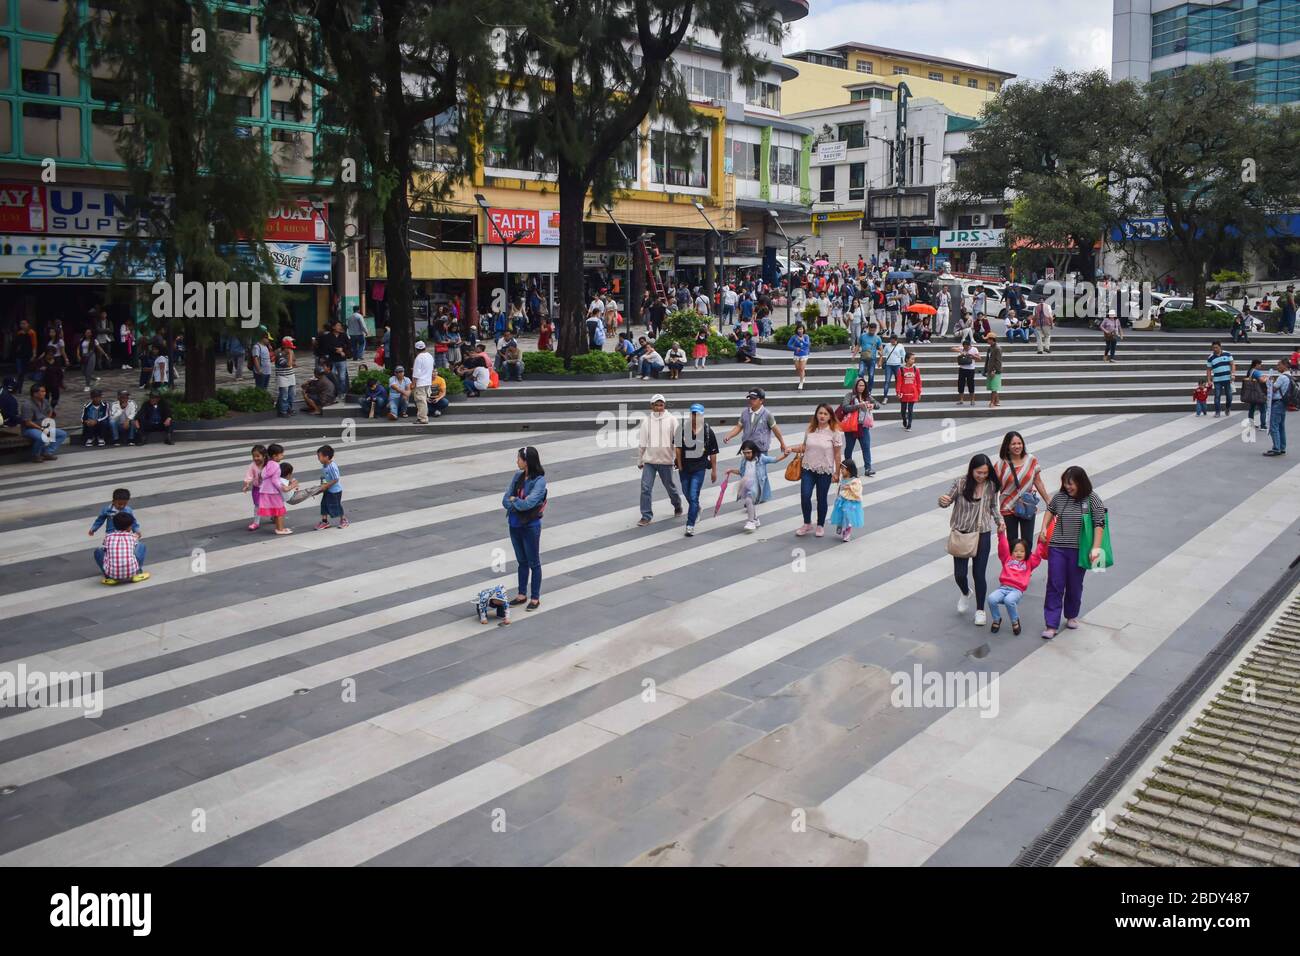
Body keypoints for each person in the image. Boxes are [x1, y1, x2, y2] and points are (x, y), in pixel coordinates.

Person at [1039, 466, 1107, 639]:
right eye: (1065, 483)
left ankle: (1071, 615)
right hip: (1057, 548)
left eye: (1071, 484)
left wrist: (1096, 548)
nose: (1067, 487)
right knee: (1055, 584)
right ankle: (1051, 624)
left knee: (1074, 585)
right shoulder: (1060, 497)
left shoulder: (1092, 499)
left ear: (1080, 482)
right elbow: (1050, 510)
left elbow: (1099, 524)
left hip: (1079, 549)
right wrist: (1044, 529)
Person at [938, 453, 1003, 626]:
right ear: (971, 470)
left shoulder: (991, 485)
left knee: (979, 574)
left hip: (982, 533)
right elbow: (947, 500)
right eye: (978, 472)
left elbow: (993, 506)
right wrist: (942, 501)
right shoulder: (961, 483)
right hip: (962, 533)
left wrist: (999, 521)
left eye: (985, 473)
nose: (982, 476)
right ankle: (966, 592)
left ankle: (980, 610)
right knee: (960, 574)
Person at [789, 404, 844, 538]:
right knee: (805, 495)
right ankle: (807, 523)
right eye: (820, 413)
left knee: (821, 498)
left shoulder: (835, 433)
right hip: (808, 468)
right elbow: (804, 447)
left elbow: (837, 455)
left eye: (825, 414)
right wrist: (791, 449)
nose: (822, 416)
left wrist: (837, 472)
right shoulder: (810, 430)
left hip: (824, 470)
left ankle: (820, 525)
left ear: (830, 416)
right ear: (816, 415)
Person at [503, 446, 547, 610]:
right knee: (521, 561)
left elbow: (530, 503)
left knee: (533, 562)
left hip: (530, 526)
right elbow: (505, 499)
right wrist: (516, 502)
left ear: (527, 461)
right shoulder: (517, 476)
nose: (517, 461)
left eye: (519, 458)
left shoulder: (539, 481)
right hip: (514, 524)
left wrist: (515, 501)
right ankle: (522, 594)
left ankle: (535, 597)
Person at [993, 430, 1050, 545]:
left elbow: (1038, 481)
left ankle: (1026, 563)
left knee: (1027, 541)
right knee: (1012, 541)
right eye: (1013, 444)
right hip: (1008, 506)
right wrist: (994, 510)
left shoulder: (1031, 460)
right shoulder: (1000, 464)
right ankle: (1013, 564)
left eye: (1019, 443)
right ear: (1007, 446)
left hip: (1027, 505)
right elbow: (994, 489)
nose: (1017, 446)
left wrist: (1048, 501)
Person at [987, 530, 1047, 635]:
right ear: (1011, 552)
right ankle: (997, 619)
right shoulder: (1007, 558)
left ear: (1026, 552)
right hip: (1003, 588)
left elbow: (1037, 555)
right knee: (991, 599)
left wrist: (1041, 543)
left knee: (1009, 600)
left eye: (1022, 551)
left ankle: (1015, 621)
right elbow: (1003, 548)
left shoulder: (1029, 562)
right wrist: (1001, 534)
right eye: (1016, 551)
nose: (1019, 553)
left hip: (1017, 590)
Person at [637, 393, 683, 526]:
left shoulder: (672, 420)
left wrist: (677, 460)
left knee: (670, 487)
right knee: (645, 488)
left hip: (666, 461)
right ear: (651, 406)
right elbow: (642, 442)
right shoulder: (646, 421)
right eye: (656, 405)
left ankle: (677, 505)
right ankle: (646, 515)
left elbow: (678, 441)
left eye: (661, 405)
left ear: (664, 405)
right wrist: (640, 460)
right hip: (650, 461)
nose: (658, 407)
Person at [724, 439, 788, 532]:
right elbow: (741, 472)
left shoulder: (761, 458)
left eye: (748, 453)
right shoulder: (744, 461)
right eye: (744, 453)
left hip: (756, 486)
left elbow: (774, 460)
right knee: (750, 503)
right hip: (746, 485)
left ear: (754, 451)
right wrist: (731, 470)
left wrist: (785, 455)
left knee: (749, 500)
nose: (746, 455)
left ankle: (751, 522)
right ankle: (755, 519)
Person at [675, 402, 718, 537]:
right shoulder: (682, 429)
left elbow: (713, 453)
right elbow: (677, 449)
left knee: (693, 495)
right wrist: (680, 466)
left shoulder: (707, 431)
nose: (695, 417)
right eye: (693, 414)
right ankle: (697, 507)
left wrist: (714, 471)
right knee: (687, 493)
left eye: (698, 414)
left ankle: (690, 525)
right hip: (685, 467)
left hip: (699, 467)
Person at [96, 511, 149, 585]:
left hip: (112, 574)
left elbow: (105, 548)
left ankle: (109, 576)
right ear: (129, 527)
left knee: (98, 551)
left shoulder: (108, 537)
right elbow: (135, 543)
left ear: (114, 525)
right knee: (141, 546)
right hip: (132, 572)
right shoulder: (132, 536)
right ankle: (137, 572)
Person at [19, 383, 66, 462]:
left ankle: (47, 452)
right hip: (30, 429)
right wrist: (41, 428)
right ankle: (35, 455)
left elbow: (50, 410)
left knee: (62, 434)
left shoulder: (45, 401)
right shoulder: (27, 405)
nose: (44, 393)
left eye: (44, 391)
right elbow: (28, 422)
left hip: (43, 426)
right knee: (42, 437)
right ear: (35, 393)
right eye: (42, 391)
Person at [839, 376, 876, 477]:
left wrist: (872, 405)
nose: (862, 387)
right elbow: (845, 407)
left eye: (863, 385)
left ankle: (868, 468)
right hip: (851, 427)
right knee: (849, 448)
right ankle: (847, 469)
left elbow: (877, 404)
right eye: (860, 385)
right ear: (855, 386)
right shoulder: (849, 395)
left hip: (863, 426)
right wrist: (858, 406)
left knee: (866, 447)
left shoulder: (867, 396)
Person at [829, 459, 865, 542]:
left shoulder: (855, 480)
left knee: (847, 517)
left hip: (851, 502)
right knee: (840, 514)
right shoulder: (843, 478)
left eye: (843, 469)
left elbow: (858, 490)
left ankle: (847, 532)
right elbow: (840, 487)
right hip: (842, 499)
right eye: (841, 469)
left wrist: (849, 487)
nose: (841, 471)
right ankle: (840, 525)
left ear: (849, 470)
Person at [1263, 358, 1292, 457]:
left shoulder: (1282, 377)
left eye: (1279, 365)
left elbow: (1273, 389)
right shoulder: (1289, 376)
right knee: (1281, 426)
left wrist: (1268, 382)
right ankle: (1282, 447)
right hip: (1283, 403)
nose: (1277, 367)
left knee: (1273, 426)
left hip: (1277, 403)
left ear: (1285, 365)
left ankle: (1276, 448)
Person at [314, 444, 347, 529]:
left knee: (336, 506)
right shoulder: (324, 466)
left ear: (326, 457)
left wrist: (326, 485)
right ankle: (325, 522)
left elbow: (336, 479)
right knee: (324, 504)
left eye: (319, 457)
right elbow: (326, 477)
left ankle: (343, 520)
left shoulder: (331, 466)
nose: (318, 459)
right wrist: (322, 485)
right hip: (328, 490)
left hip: (335, 491)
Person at [241, 444, 267, 531]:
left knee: (271, 504)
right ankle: (256, 522)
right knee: (257, 505)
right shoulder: (252, 466)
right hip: (257, 489)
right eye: (253, 456)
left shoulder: (268, 465)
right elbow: (249, 476)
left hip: (269, 489)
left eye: (258, 456)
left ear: (264, 456)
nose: (255, 458)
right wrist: (247, 484)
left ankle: (274, 516)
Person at [1205, 340, 1235, 417]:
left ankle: (1228, 408)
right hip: (1217, 380)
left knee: (1229, 396)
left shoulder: (1227, 354)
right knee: (1217, 396)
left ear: (1220, 347)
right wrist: (1209, 380)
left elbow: (1232, 365)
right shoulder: (1210, 357)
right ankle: (1217, 411)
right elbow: (1208, 369)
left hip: (1227, 379)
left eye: (1216, 347)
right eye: (1213, 348)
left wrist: (1233, 374)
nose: (1215, 349)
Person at [896, 353, 922, 431]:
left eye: (914, 359)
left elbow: (919, 381)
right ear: (907, 359)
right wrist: (898, 392)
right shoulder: (901, 369)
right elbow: (899, 382)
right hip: (903, 393)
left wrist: (919, 392)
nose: (913, 360)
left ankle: (909, 424)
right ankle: (904, 420)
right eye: (912, 359)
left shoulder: (916, 369)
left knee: (910, 410)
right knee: (903, 410)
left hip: (913, 392)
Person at [411, 340, 435, 423]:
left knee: (421, 401)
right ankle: (422, 417)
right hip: (427, 381)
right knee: (424, 400)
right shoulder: (430, 356)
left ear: (416, 349)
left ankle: (422, 418)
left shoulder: (418, 358)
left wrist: (413, 383)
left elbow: (416, 373)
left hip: (420, 382)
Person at [857, 322, 883, 396]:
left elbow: (881, 349)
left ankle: (869, 390)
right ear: (868, 329)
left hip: (872, 359)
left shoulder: (877, 338)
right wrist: (854, 354)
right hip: (863, 359)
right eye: (871, 330)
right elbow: (858, 345)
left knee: (871, 375)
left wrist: (880, 360)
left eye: (874, 330)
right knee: (860, 373)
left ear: (875, 330)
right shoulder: (863, 336)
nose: (872, 331)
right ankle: (860, 388)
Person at [1242, 358, 1269, 430]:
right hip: (1258, 393)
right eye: (1260, 364)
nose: (1261, 366)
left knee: (1252, 408)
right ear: (1256, 364)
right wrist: (1266, 378)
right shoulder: (1256, 372)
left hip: (1251, 393)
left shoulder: (1250, 371)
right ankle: (1263, 425)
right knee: (1263, 409)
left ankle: (1251, 424)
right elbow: (1262, 380)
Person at [274, 337, 297, 416]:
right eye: (289, 348)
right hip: (282, 377)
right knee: (284, 395)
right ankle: (283, 411)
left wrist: (292, 360)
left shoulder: (289, 353)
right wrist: (290, 354)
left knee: (292, 394)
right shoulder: (279, 354)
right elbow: (288, 364)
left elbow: (292, 363)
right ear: (285, 347)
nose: (291, 350)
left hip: (290, 375)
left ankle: (289, 408)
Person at [879, 335, 905, 405]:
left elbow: (903, 355)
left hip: (897, 365)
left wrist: (904, 365)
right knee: (887, 381)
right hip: (888, 365)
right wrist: (880, 352)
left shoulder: (900, 346)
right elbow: (883, 353)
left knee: (898, 380)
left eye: (893, 340)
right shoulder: (887, 345)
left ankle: (899, 394)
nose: (891, 341)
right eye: (891, 340)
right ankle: (885, 397)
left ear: (896, 340)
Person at [954, 338, 980, 407]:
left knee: (971, 384)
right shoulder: (962, 348)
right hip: (962, 368)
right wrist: (961, 351)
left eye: (967, 347)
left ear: (969, 346)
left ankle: (972, 400)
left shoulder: (974, 349)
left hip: (971, 369)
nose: (966, 348)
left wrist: (971, 355)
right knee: (960, 384)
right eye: (964, 347)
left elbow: (979, 358)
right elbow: (952, 348)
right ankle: (961, 400)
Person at [788, 323, 811, 390]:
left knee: (801, 368)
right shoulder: (794, 337)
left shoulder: (806, 336)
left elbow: (808, 344)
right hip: (797, 354)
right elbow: (789, 345)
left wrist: (802, 340)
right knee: (797, 368)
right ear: (797, 330)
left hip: (804, 353)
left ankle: (801, 382)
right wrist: (795, 348)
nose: (800, 330)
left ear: (803, 330)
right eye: (799, 329)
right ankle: (803, 376)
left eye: (801, 329)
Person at [983, 332, 1003, 408]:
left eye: (988, 339)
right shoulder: (989, 348)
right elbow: (987, 360)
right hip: (989, 369)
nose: (987, 341)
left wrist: (994, 370)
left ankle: (992, 402)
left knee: (994, 387)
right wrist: (985, 370)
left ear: (992, 339)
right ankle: (997, 400)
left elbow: (998, 361)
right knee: (992, 386)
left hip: (995, 371)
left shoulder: (998, 348)